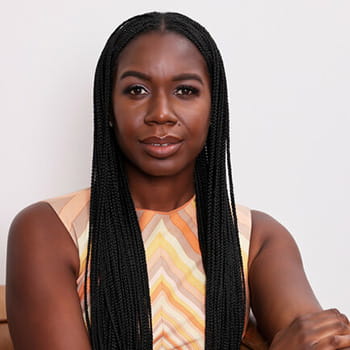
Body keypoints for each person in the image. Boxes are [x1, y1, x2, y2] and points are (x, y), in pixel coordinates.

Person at [6, 11, 350, 350]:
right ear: (108, 108)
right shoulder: (50, 230)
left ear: (213, 108)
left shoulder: (257, 237)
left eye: (185, 91)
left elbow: (322, 341)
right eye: (137, 90)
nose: (161, 113)